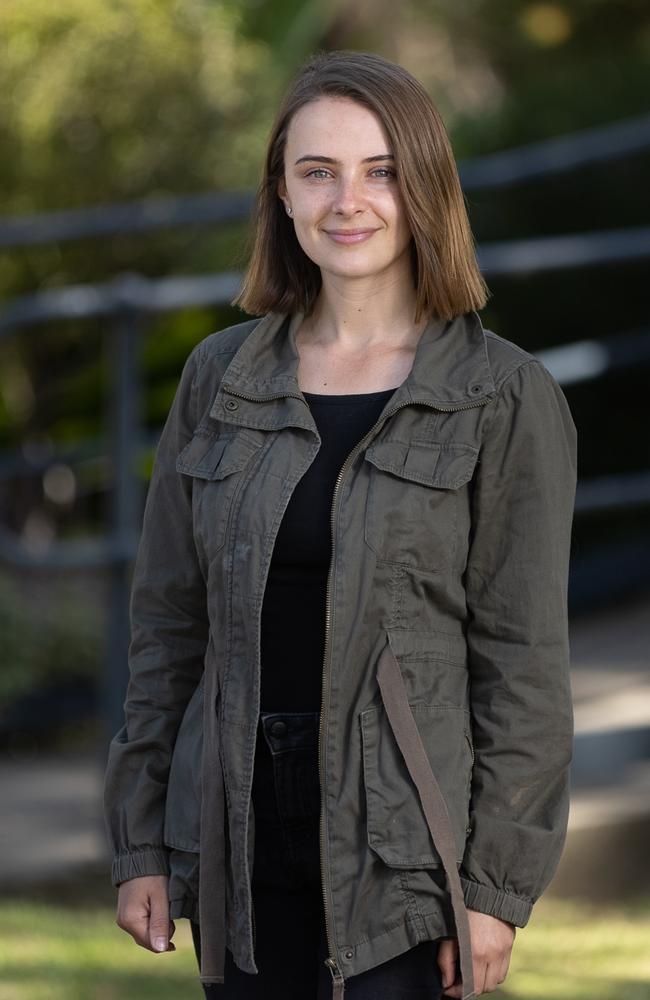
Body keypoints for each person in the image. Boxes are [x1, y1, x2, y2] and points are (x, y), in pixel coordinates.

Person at [103, 49, 578, 1000]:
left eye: (381, 171)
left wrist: (493, 891)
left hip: (404, 857)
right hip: (235, 840)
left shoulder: (502, 396)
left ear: (424, 188)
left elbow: (522, 664)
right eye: (317, 171)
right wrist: (141, 836)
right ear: (281, 193)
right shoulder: (219, 380)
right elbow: (166, 626)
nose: (347, 201)